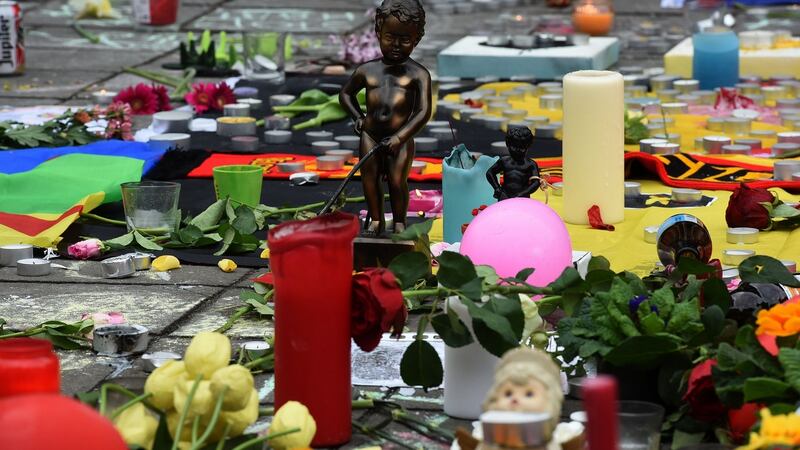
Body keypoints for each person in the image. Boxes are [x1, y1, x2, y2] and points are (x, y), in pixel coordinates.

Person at [339, 0, 432, 236]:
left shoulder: (418, 74)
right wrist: (358, 117)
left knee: (397, 180)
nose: (397, 45)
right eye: (390, 37)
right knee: (369, 179)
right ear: (378, 32)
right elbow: (346, 94)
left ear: (417, 39)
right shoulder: (367, 70)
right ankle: (376, 220)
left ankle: (400, 221)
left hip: (399, 139)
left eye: (405, 40)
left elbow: (423, 112)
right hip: (370, 134)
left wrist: (400, 137)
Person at [486, 127, 541, 200]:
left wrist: (523, 193)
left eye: (522, 148)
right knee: (503, 210)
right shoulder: (504, 161)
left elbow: (536, 182)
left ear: (528, 147)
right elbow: (490, 173)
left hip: (523, 198)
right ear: (508, 145)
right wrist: (497, 188)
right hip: (505, 195)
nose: (517, 150)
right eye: (514, 147)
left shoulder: (530, 164)